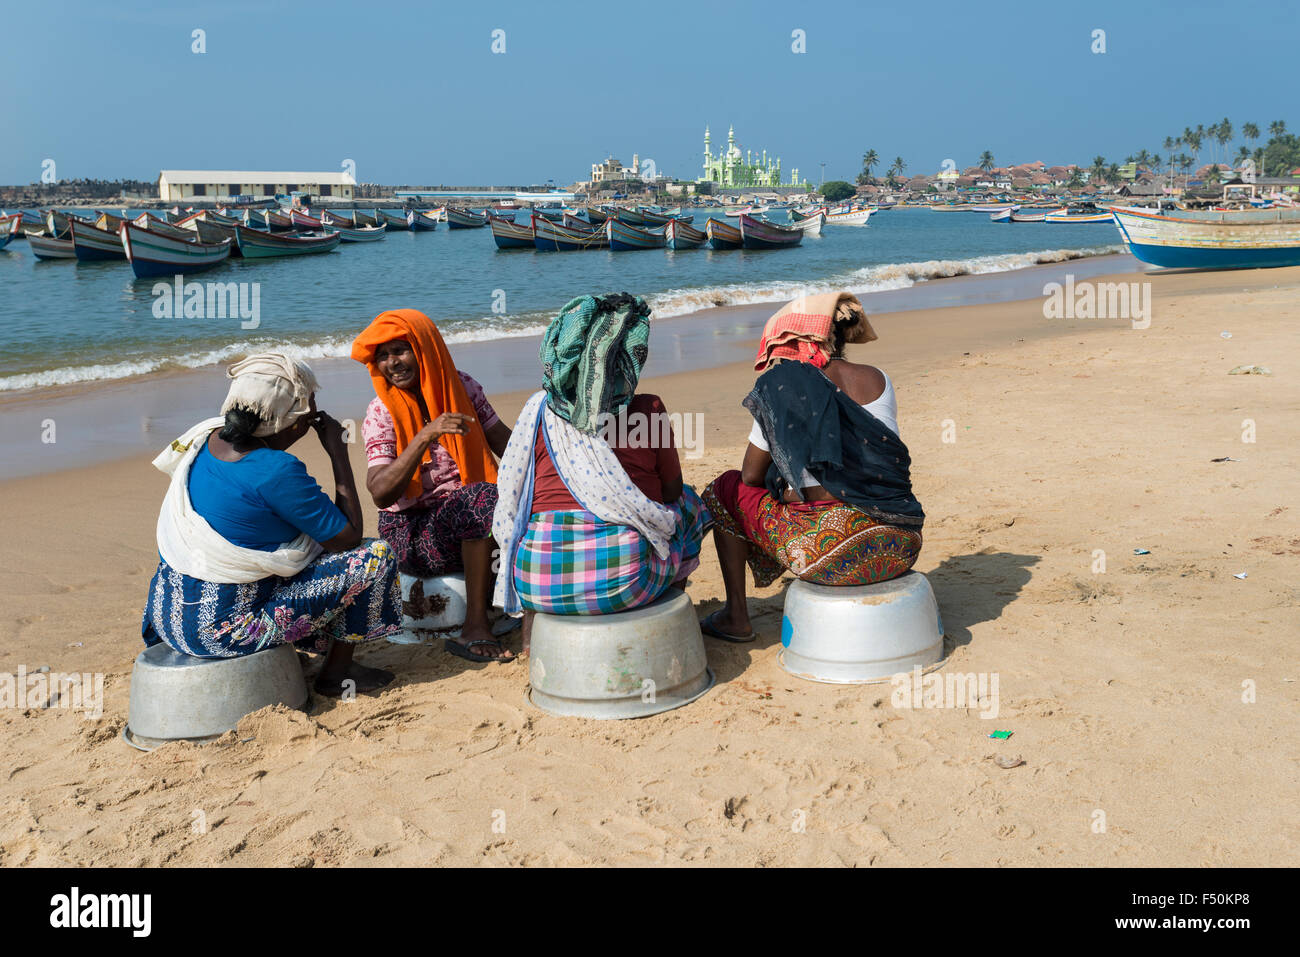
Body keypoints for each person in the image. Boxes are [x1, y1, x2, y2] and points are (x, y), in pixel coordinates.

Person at [141, 353, 401, 696]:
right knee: (373, 555)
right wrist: (338, 454)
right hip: (221, 633)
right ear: (291, 421)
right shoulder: (275, 470)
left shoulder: (207, 438)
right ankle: (337, 673)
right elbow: (346, 538)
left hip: (168, 618)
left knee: (292, 548)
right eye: (309, 409)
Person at [701, 292, 925, 642]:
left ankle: (736, 615)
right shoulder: (877, 378)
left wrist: (787, 476)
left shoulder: (784, 386)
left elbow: (749, 476)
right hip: (902, 543)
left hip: (832, 553)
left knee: (725, 488)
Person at [492, 293, 711, 650]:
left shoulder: (537, 411)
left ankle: (532, 643)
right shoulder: (648, 409)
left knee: (539, 521)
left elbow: (515, 498)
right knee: (689, 506)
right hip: (625, 583)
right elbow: (671, 493)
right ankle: (665, 633)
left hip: (534, 580)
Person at [351, 309, 515, 663]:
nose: (392, 363)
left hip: (468, 519)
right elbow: (380, 491)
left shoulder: (462, 388)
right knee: (482, 499)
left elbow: (506, 445)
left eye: (400, 350)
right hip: (411, 534)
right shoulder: (382, 412)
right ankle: (474, 626)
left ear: (425, 348)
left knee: (512, 499)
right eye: (383, 356)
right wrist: (425, 435)